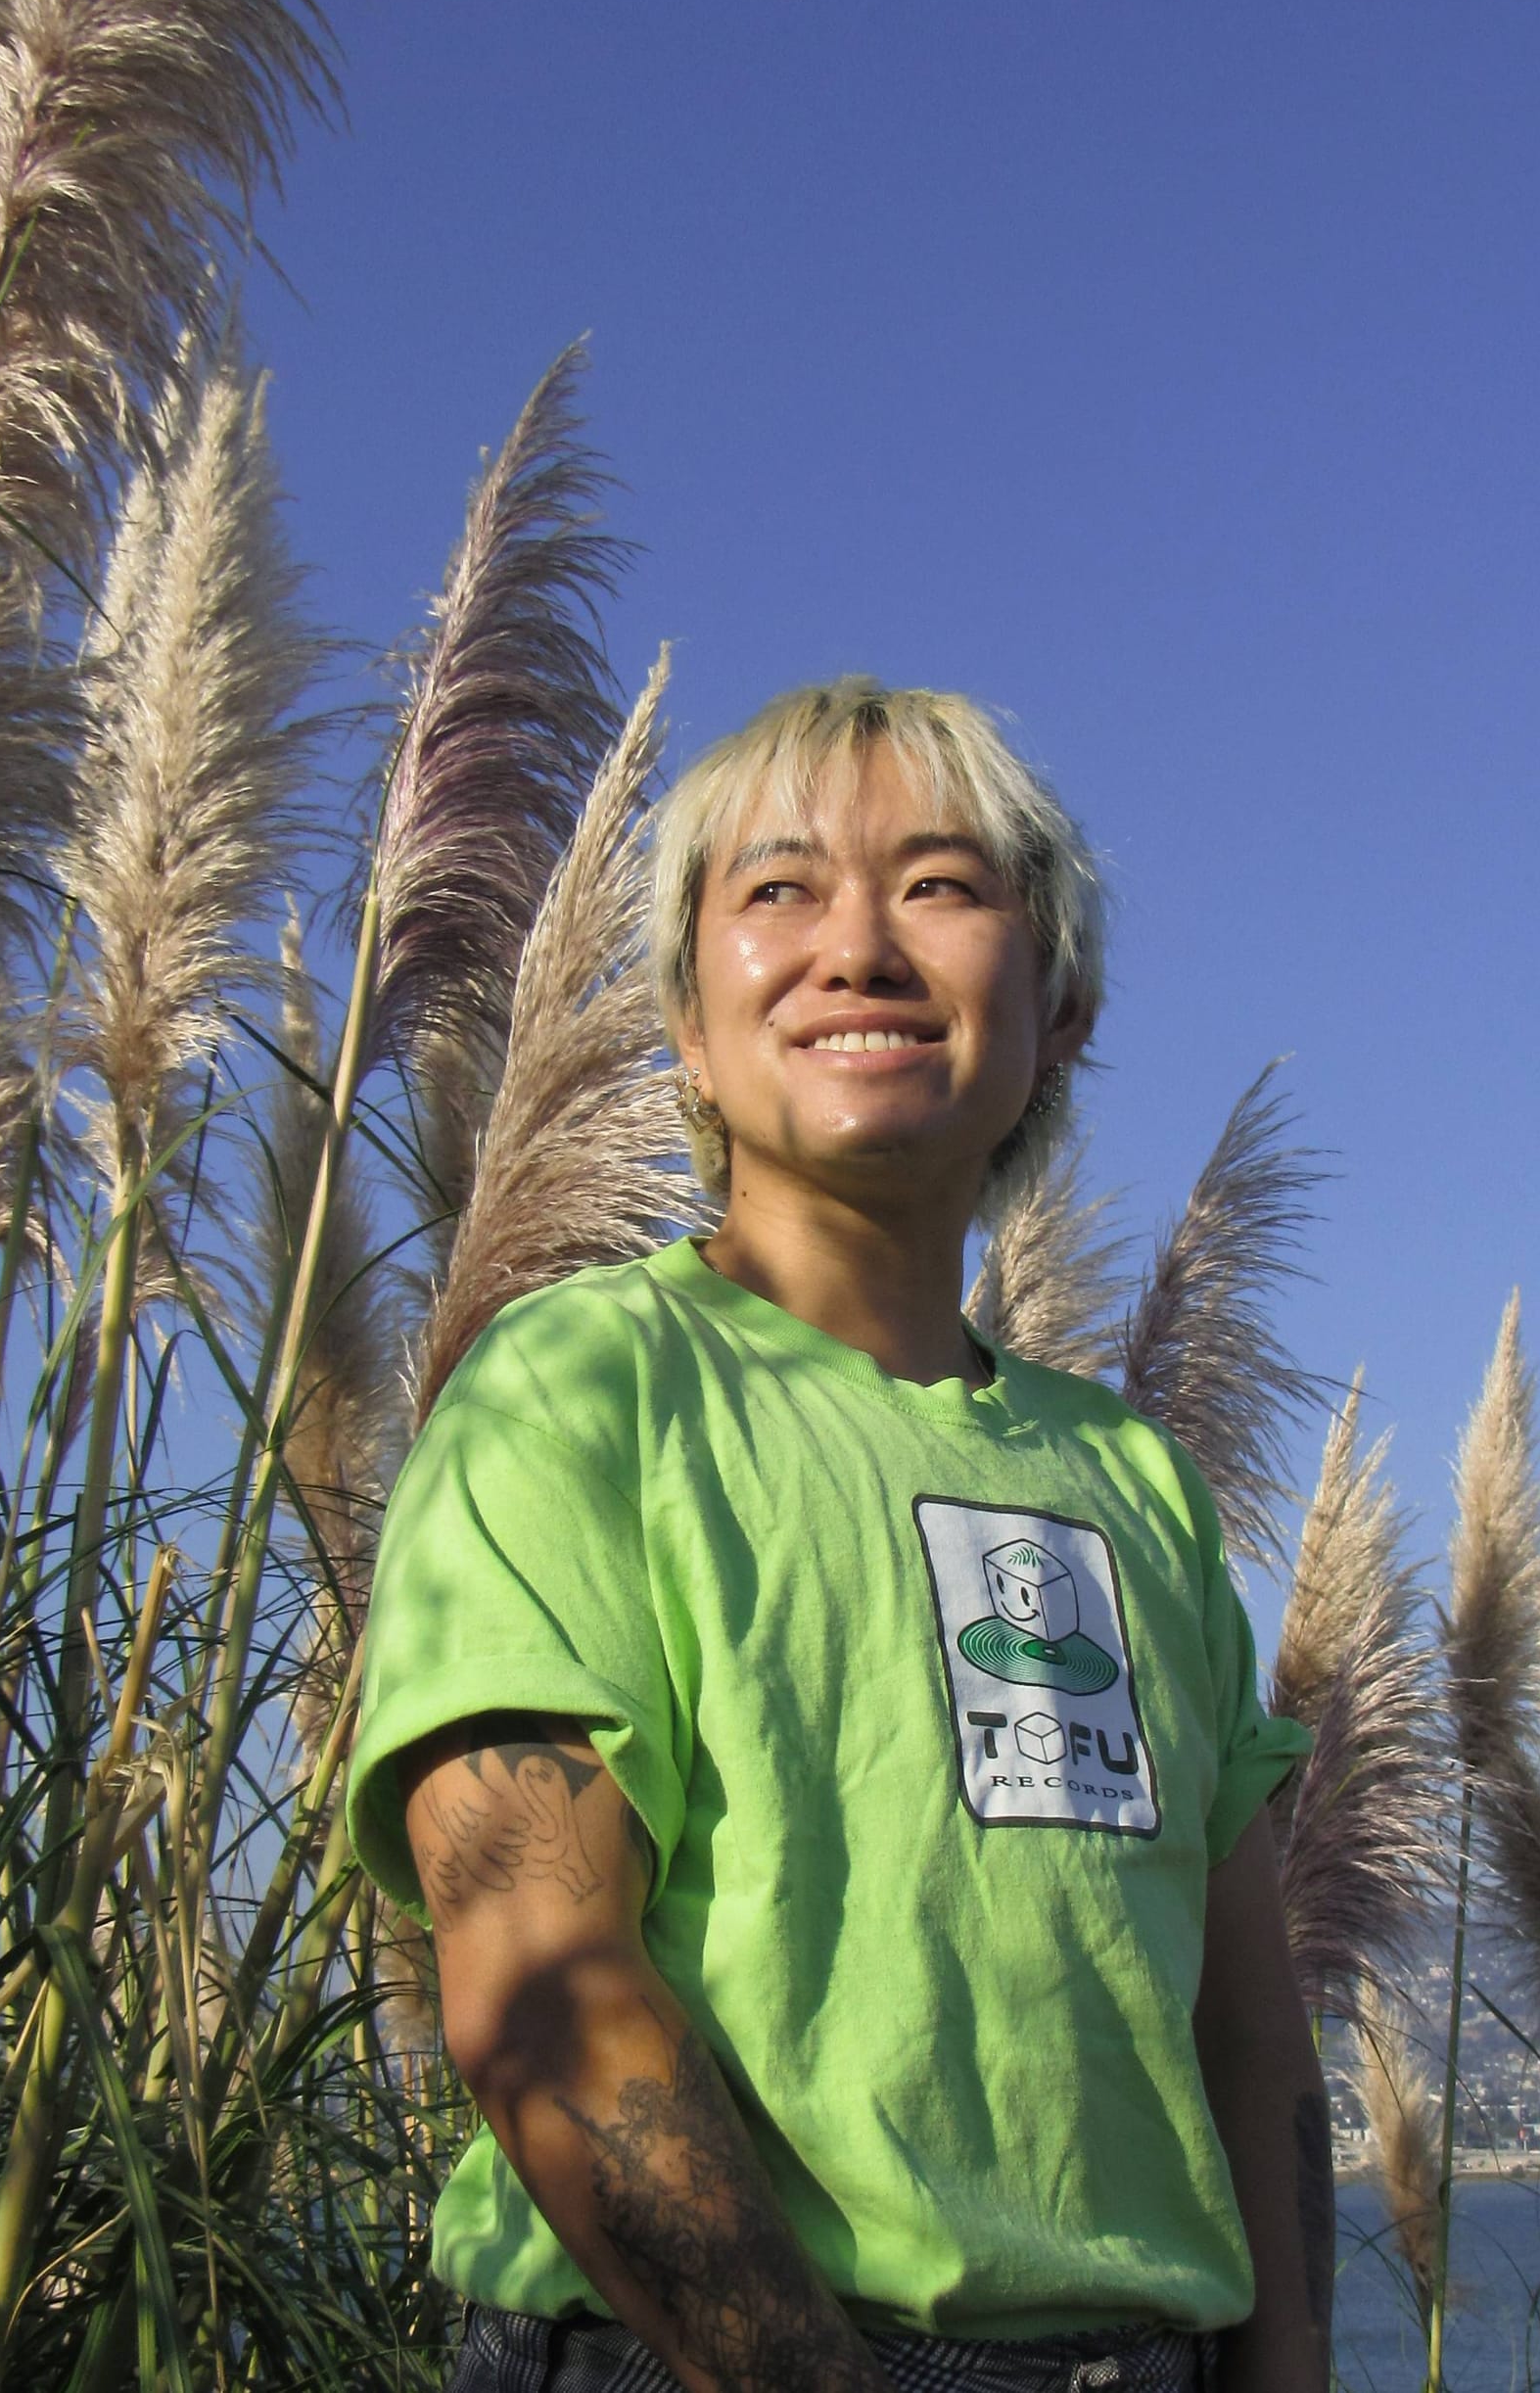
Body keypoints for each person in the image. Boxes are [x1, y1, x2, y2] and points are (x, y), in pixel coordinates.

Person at [345, 680, 1332, 2393]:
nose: (859, 946)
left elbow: (1247, 2024)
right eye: (779, 890)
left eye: (943, 886)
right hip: (692, 2356)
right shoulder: (581, 1388)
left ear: (1063, 1007)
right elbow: (532, 1969)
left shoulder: (1137, 1484)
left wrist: (1291, 2361)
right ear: (685, 1020)